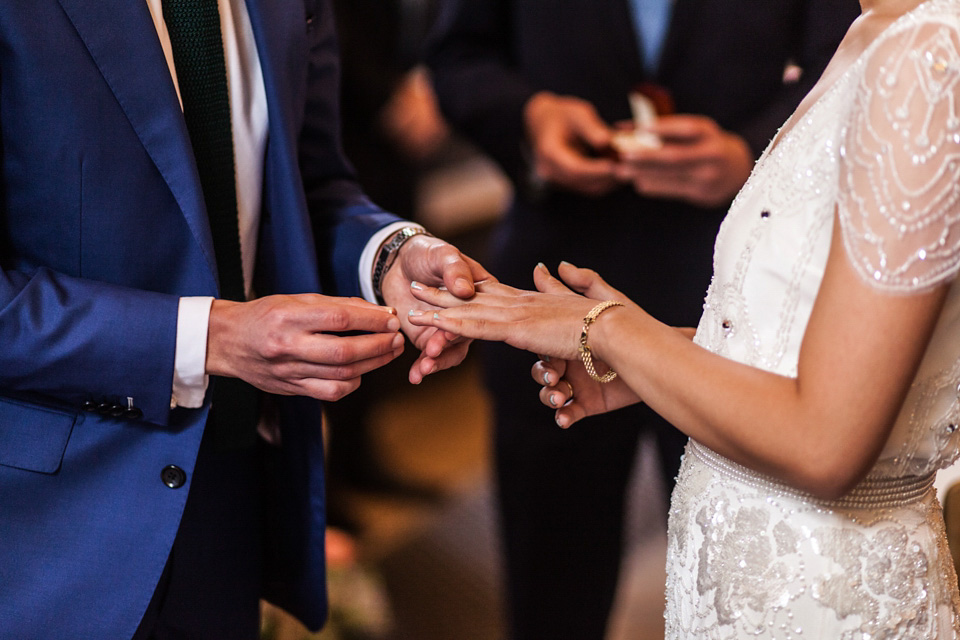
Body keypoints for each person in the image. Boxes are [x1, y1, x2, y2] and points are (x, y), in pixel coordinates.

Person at [410, 0, 960, 635]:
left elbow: (826, 443)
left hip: (818, 593)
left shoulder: (923, 58)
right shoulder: (876, 26)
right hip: (597, 263)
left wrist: (605, 327)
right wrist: (645, 356)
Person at [0, 0, 490, 637]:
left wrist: (388, 254)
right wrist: (210, 339)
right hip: (51, 521)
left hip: (233, 484)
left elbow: (310, 184)